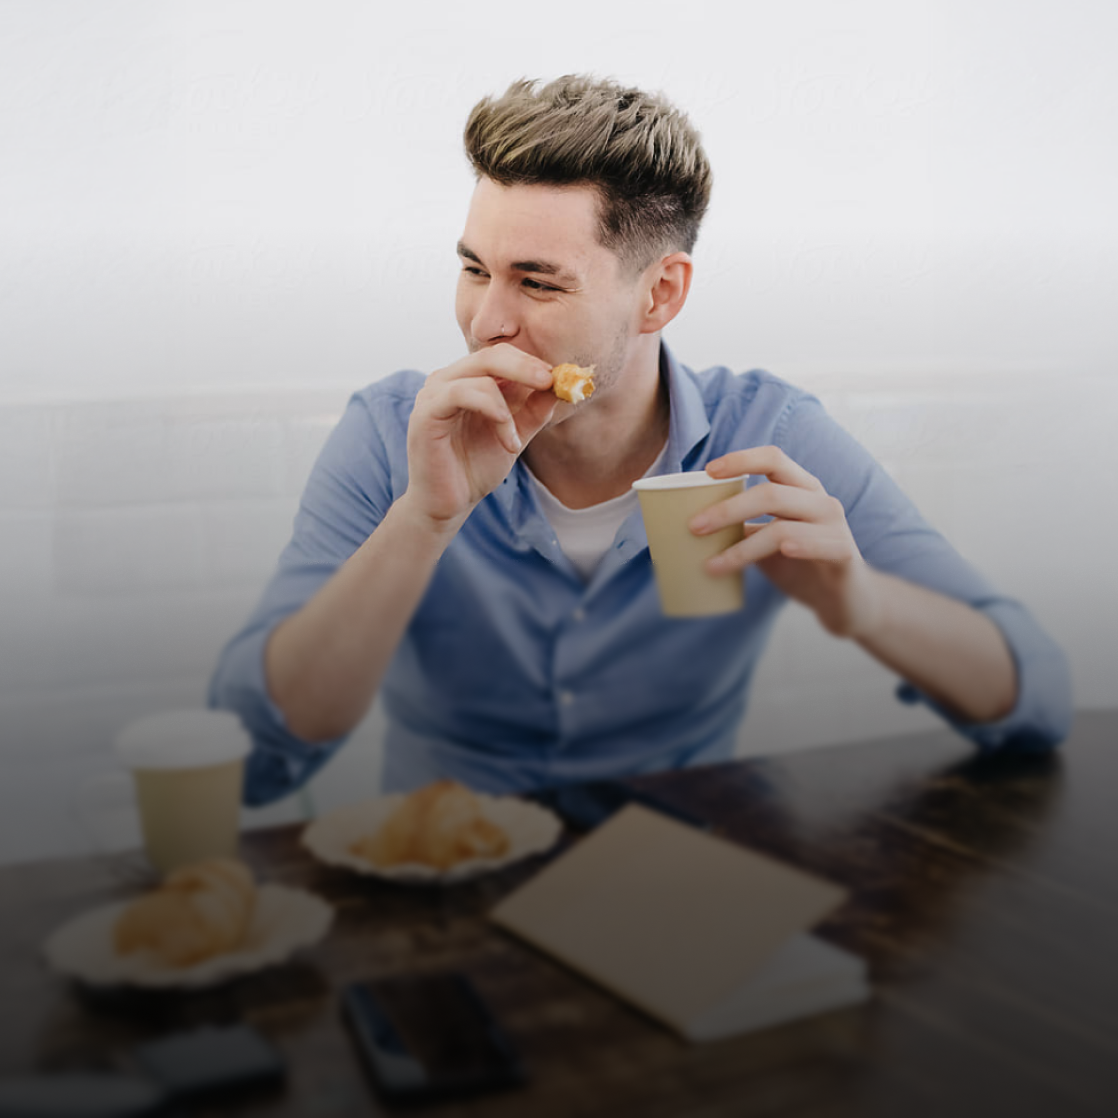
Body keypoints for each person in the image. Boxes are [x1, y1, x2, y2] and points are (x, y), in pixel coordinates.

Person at [209, 75, 1071, 805]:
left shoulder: (766, 436)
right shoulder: (390, 432)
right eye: (474, 270)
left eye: (538, 284)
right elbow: (250, 758)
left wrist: (864, 606)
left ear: (660, 295)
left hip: (683, 873)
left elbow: (1037, 698)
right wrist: (423, 522)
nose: (485, 322)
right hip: (446, 872)